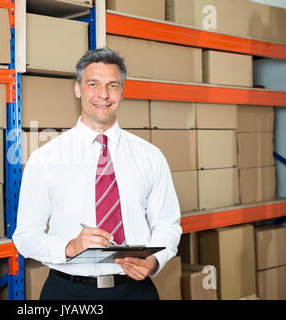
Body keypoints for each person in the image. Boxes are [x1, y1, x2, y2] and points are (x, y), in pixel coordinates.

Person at [12, 47, 182, 300]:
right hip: (69, 292)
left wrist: (155, 260)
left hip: (135, 291)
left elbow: (167, 224)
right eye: (93, 84)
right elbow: (25, 236)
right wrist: (70, 247)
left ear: (122, 92)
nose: (103, 94)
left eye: (112, 85)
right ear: (78, 89)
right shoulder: (46, 158)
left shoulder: (150, 156)